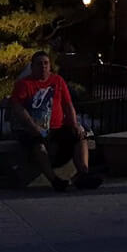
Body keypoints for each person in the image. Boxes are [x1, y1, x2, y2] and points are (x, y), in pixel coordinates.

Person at [7, 52, 103, 192]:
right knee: (38, 145)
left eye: (46, 63)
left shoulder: (57, 81)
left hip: (57, 127)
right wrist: (32, 126)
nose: (43, 67)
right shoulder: (24, 84)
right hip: (33, 128)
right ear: (32, 66)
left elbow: (67, 104)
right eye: (39, 64)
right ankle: (54, 180)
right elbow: (18, 107)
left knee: (79, 136)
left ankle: (83, 173)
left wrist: (74, 124)